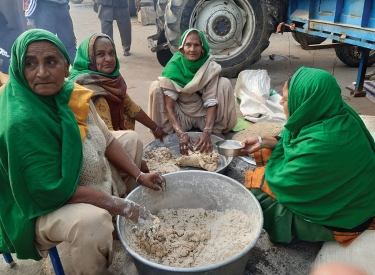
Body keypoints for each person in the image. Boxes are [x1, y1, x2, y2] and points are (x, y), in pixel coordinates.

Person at [0, 29, 165, 274]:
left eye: (51, 62)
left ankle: (115, 223)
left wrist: (139, 176)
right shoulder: (21, 122)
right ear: (17, 69)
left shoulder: (71, 94)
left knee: (130, 139)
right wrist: (123, 206)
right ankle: (94, 260)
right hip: (36, 204)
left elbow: (107, 139)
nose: (42, 72)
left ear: (66, 68)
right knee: (92, 223)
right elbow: (49, 191)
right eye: (30, 63)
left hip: (69, 179)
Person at [241, 66, 375, 245]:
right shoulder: (337, 111)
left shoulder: (324, 143)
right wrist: (264, 140)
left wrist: (260, 178)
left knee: (259, 193)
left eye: (287, 99)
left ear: (307, 103)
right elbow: (293, 137)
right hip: (355, 196)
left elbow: (283, 183)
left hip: (347, 217)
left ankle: (288, 234)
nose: (280, 102)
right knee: (266, 149)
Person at [148, 28, 237, 155]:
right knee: (156, 87)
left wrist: (207, 132)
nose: (192, 49)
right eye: (188, 45)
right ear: (182, 48)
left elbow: (211, 102)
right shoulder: (174, 66)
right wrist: (180, 133)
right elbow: (169, 106)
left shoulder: (209, 66)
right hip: (180, 116)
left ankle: (216, 132)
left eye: (196, 45)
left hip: (203, 114)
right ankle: (167, 134)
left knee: (224, 83)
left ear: (202, 48)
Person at [69, 33, 167, 143]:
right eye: (100, 54)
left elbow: (131, 107)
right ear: (89, 58)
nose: (109, 59)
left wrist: (157, 129)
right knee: (132, 140)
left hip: (110, 138)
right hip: (96, 144)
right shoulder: (90, 91)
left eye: (112, 53)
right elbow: (108, 136)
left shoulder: (111, 80)